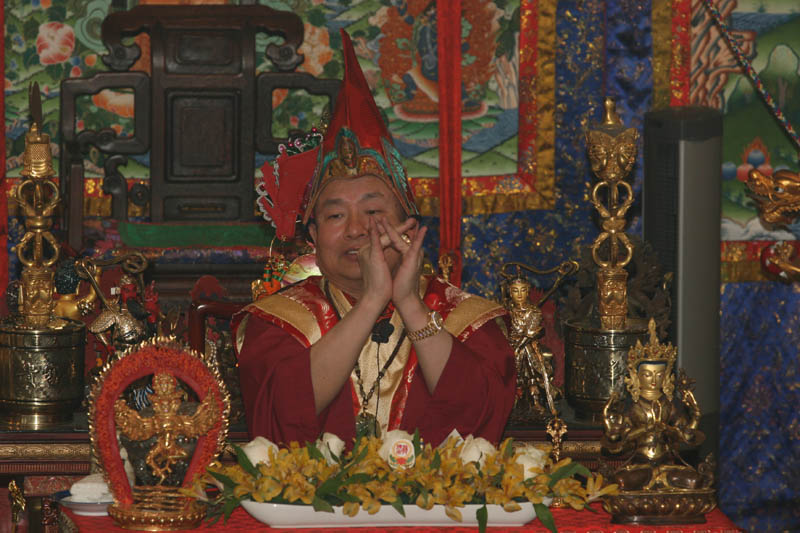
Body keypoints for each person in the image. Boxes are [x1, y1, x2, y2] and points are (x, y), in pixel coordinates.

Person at [233, 30, 515, 448]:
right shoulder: (276, 322)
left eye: (373, 212)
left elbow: (481, 416)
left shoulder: (466, 320)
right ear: (313, 236)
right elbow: (279, 416)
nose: (355, 230)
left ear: (408, 229)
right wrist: (370, 303)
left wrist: (410, 305)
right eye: (335, 215)